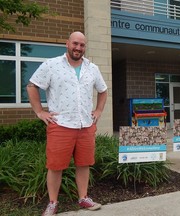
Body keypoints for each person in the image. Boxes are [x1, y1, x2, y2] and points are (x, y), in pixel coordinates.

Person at [26, 31, 108, 215]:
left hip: (86, 125)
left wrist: (99, 110)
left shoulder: (92, 68)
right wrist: (40, 112)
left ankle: (83, 198)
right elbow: (32, 86)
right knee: (55, 166)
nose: (78, 48)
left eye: (82, 45)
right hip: (60, 125)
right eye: (75, 43)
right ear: (67, 44)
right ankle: (53, 203)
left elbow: (103, 90)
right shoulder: (52, 65)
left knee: (83, 164)